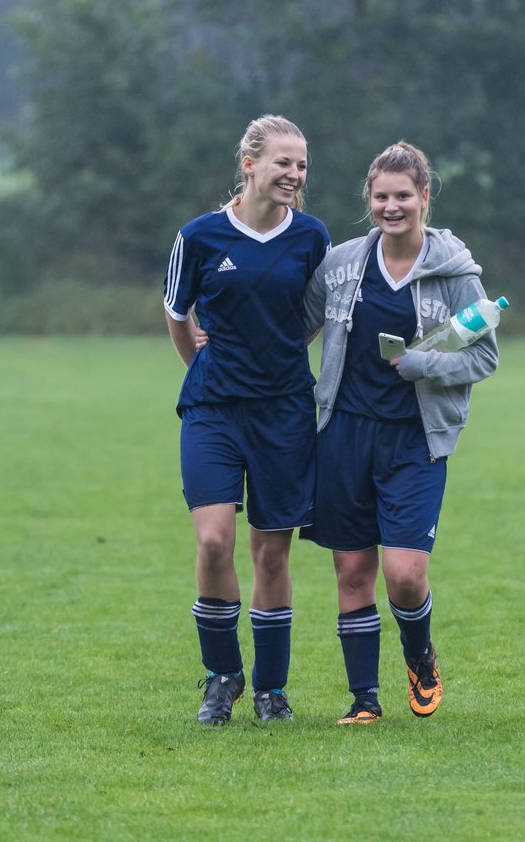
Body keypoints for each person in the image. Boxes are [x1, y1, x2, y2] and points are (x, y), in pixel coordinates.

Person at [302, 141, 499, 724]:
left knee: (405, 573)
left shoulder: (456, 274)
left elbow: (485, 358)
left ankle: (420, 655)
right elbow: (294, 329)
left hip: (415, 441)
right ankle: (364, 701)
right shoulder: (341, 265)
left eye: (403, 196)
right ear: (369, 200)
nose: (393, 207)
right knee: (353, 570)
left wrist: (425, 364)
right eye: (382, 197)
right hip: (343, 435)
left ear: (424, 198)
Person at [164, 115, 330, 724]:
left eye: (302, 165)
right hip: (212, 409)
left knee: (270, 554)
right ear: (250, 163)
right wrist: (202, 365)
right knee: (213, 542)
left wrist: (280, 352)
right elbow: (177, 312)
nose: (293, 174)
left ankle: (271, 689)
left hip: (285, 410)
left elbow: (314, 315)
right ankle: (222, 676)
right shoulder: (200, 237)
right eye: (283, 162)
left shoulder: (312, 237)